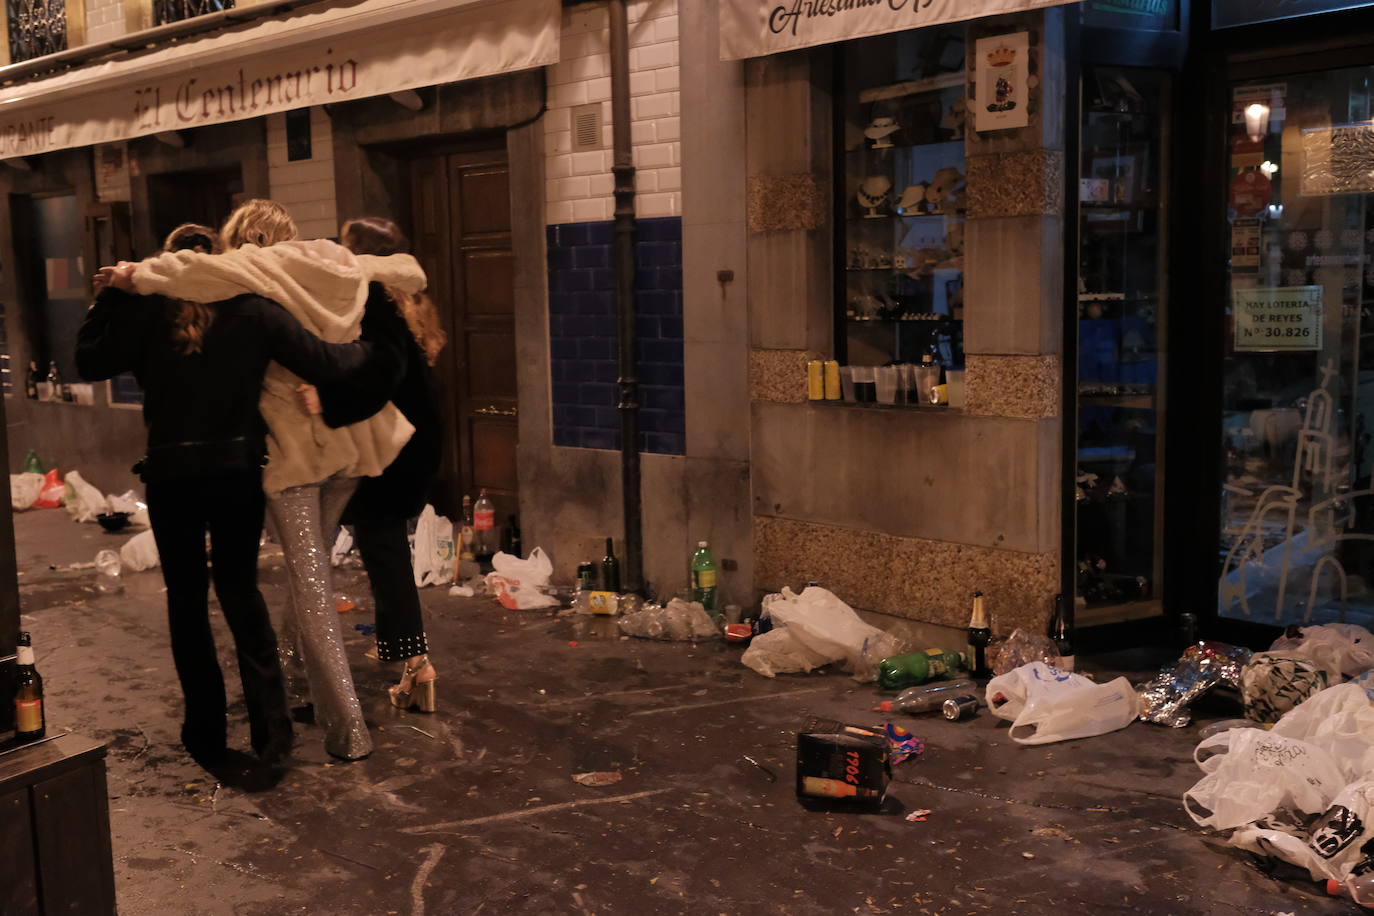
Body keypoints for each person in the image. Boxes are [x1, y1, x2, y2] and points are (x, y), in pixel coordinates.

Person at [75, 223, 389, 768]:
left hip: (172, 474)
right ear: (221, 262)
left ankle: (205, 729)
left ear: (165, 265)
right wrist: (379, 349)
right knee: (242, 594)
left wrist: (110, 296)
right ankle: (273, 732)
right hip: (236, 472)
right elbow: (328, 361)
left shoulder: (148, 312)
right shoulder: (254, 309)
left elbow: (88, 361)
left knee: (187, 602)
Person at [296, 217, 444, 711]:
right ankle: (414, 668)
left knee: (384, 555)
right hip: (409, 447)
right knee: (386, 554)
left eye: (345, 247)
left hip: (394, 452)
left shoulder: (377, 306)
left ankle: (418, 664)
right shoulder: (400, 304)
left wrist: (328, 403)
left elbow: (382, 373)